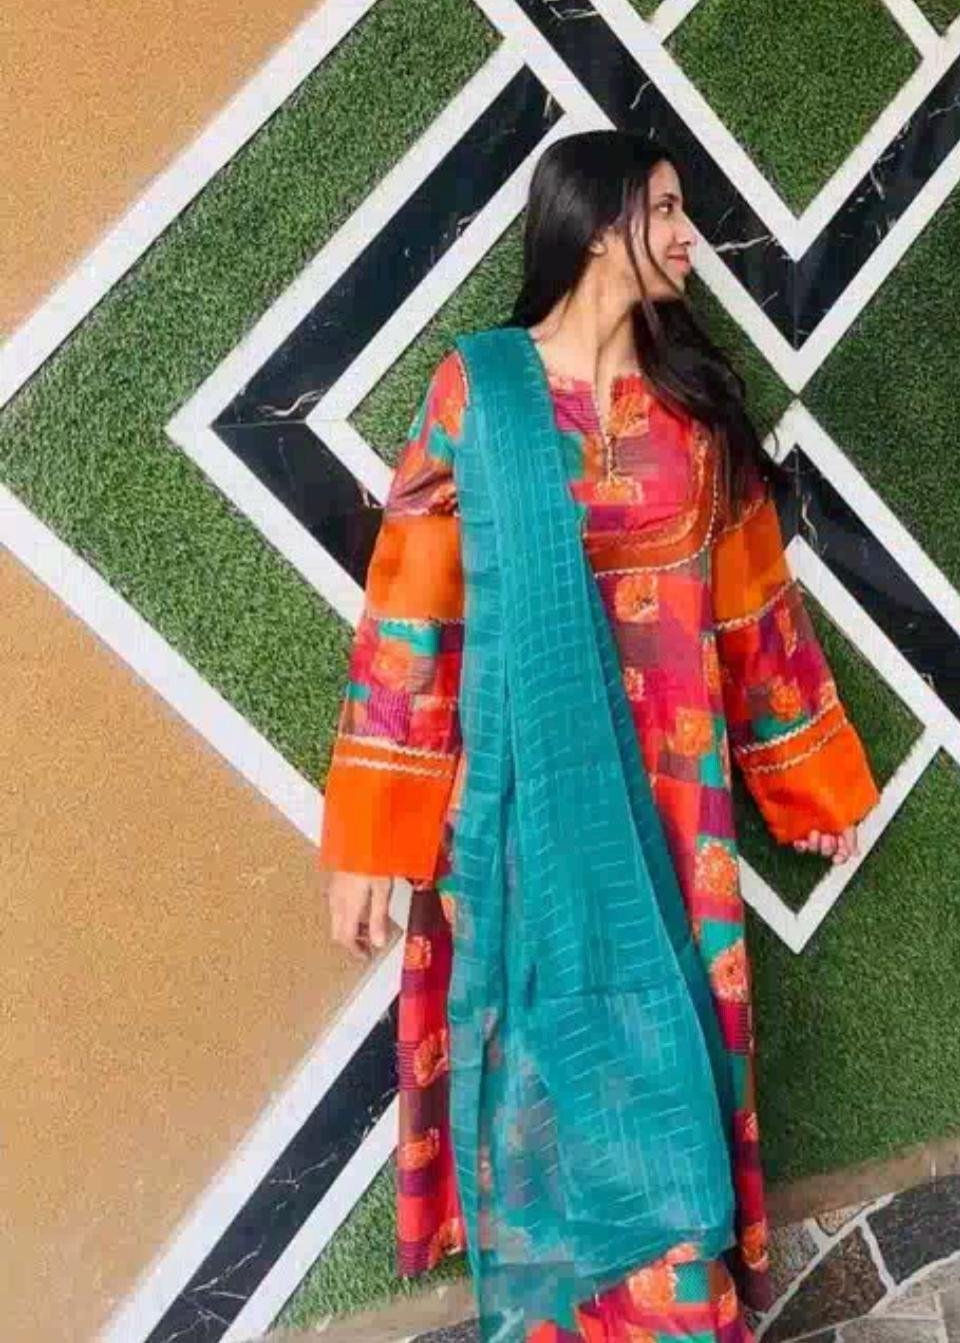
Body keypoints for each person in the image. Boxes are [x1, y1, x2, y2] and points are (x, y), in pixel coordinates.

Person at [319, 129, 881, 1342]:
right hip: (521, 811)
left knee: (668, 1063)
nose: (688, 238)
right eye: (665, 210)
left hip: (676, 815)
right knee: (545, 1068)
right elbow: (412, 611)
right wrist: (369, 837)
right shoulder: (480, 391)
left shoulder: (694, 413)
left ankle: (680, 1316)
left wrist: (812, 780)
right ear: (591, 224)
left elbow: (754, 604)